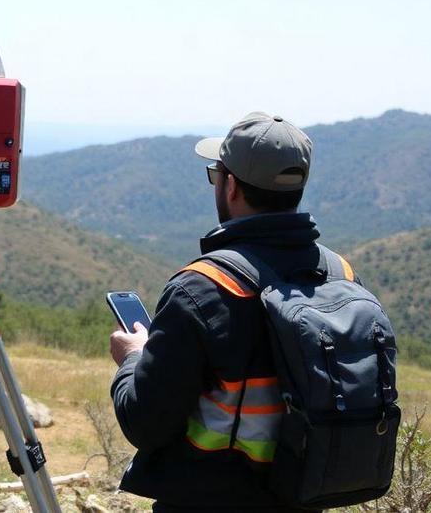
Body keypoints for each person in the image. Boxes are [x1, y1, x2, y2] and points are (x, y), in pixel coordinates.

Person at [108, 111, 344, 512]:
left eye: (215, 174)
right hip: (306, 498)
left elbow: (144, 423)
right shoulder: (341, 275)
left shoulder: (201, 288)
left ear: (230, 185)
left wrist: (132, 358)